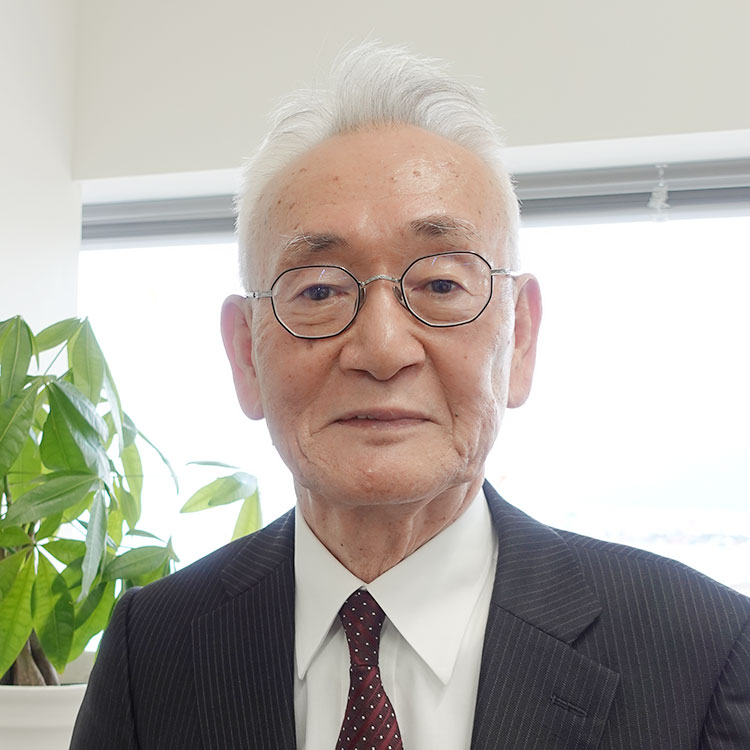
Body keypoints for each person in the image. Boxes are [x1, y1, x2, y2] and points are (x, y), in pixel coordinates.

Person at [71, 43, 750, 750]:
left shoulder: (704, 653)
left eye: (441, 285)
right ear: (246, 353)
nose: (382, 348)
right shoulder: (154, 646)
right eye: (319, 291)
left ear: (519, 339)